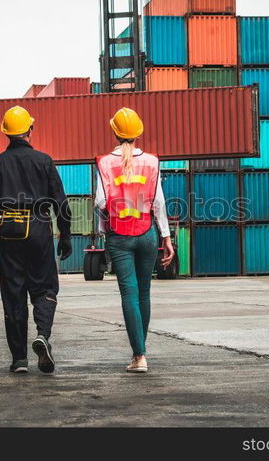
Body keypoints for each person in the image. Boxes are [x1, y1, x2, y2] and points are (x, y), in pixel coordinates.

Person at [0, 105, 72, 374]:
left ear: (6, 133)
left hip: (9, 233)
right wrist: (65, 235)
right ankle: (42, 335)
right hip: (39, 230)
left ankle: (19, 359)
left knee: (13, 294)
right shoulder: (44, 161)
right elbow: (61, 203)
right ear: (30, 129)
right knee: (45, 288)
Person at [94, 107, 174, 373]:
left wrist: (104, 226)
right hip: (147, 232)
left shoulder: (105, 163)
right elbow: (159, 202)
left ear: (114, 131)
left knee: (128, 294)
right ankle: (140, 351)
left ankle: (139, 356)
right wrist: (166, 237)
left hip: (119, 235)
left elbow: (100, 201)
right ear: (139, 133)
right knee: (144, 293)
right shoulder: (152, 162)